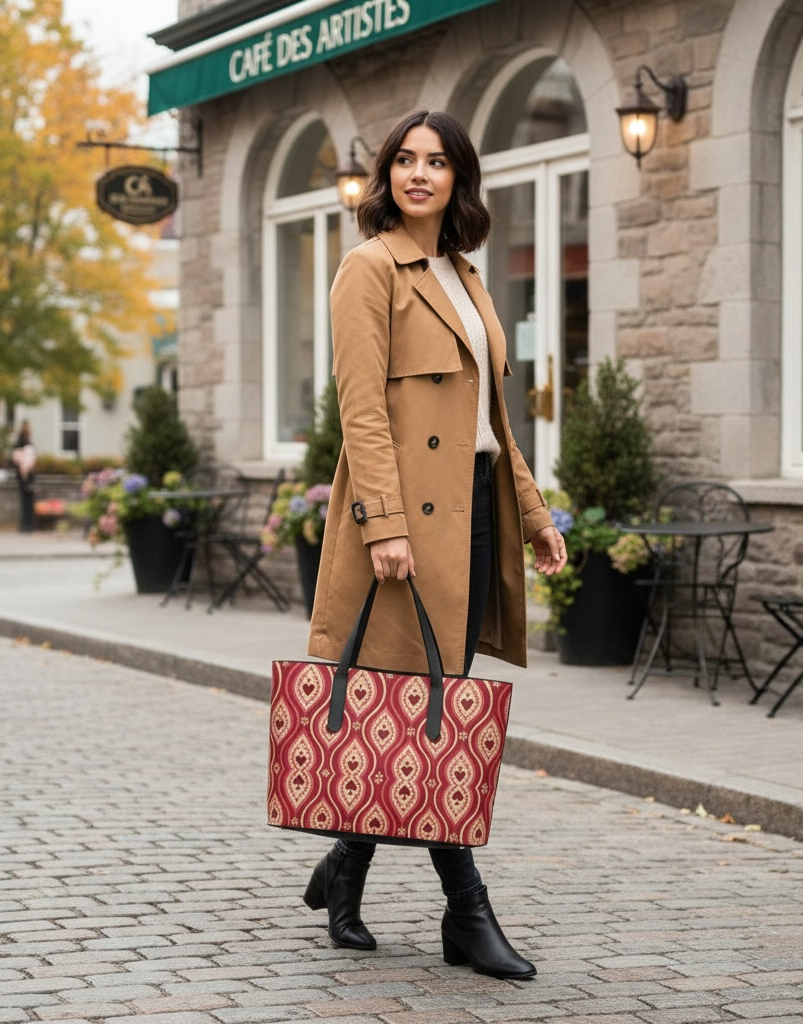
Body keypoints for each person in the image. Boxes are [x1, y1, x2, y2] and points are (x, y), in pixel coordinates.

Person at [305, 110, 567, 980]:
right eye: (406, 160)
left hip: (474, 517)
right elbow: (362, 410)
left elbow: (494, 420)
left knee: (422, 712)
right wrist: (383, 523)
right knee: (432, 718)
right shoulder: (369, 267)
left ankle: (345, 867)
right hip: (406, 526)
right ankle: (468, 914)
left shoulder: (464, 274)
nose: (421, 173)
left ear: (460, 178)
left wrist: (533, 516)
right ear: (386, 175)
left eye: (439, 161)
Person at [11, 421, 36, 533]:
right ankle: (25, 524)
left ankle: (29, 523)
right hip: (23, 476)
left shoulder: (29, 442)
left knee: (29, 501)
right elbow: (17, 458)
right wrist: (23, 471)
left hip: (30, 476)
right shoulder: (20, 443)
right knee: (25, 501)